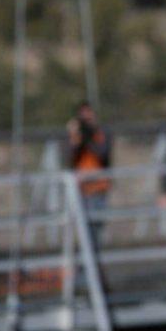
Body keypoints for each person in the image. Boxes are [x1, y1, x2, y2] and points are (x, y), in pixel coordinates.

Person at [67, 101, 112, 245]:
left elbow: (103, 154)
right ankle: (85, 263)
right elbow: (70, 157)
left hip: (98, 188)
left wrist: (88, 135)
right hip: (82, 189)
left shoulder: (101, 133)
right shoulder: (77, 137)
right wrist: (76, 135)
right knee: (83, 230)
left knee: (96, 228)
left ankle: (95, 263)